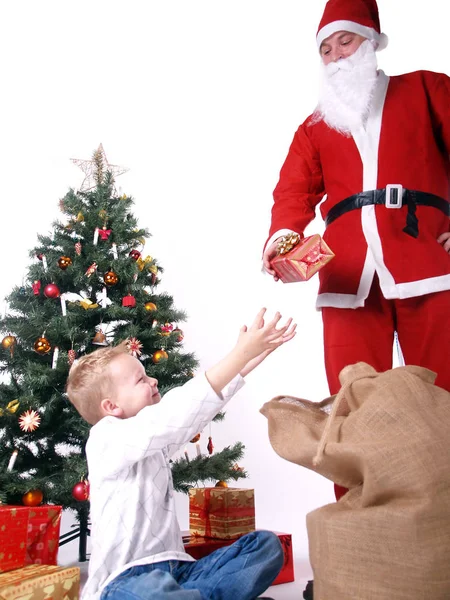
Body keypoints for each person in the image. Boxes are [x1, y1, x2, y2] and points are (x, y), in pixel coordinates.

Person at [263, 0, 450, 482]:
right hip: (347, 276)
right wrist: (284, 239)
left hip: (428, 265)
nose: (336, 55)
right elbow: (293, 190)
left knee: (443, 399)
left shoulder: (427, 88)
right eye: (326, 48)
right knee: (349, 412)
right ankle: (361, 527)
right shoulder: (316, 124)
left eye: (345, 41)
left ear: (372, 41)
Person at [66, 308, 296, 600]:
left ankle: (192, 596)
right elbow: (173, 414)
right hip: (125, 580)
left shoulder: (153, 443)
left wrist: (248, 359)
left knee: (265, 547)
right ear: (112, 407)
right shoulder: (106, 437)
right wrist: (238, 354)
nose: (153, 381)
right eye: (140, 380)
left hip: (180, 572)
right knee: (153, 593)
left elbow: (195, 414)